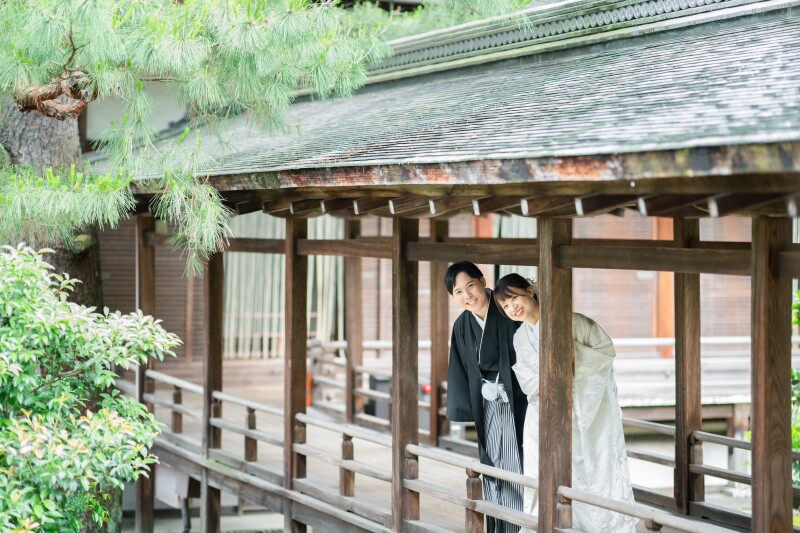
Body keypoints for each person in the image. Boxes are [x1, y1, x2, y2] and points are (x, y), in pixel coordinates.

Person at [493, 273, 638, 533]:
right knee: (542, 470)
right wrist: (552, 378)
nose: (512, 307)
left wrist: (568, 367)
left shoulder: (574, 322)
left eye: (514, 298)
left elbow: (605, 351)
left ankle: (597, 526)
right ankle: (548, 524)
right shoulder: (519, 337)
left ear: (530, 291)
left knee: (591, 468)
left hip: (587, 410)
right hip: (543, 413)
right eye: (505, 306)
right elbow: (527, 381)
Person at [444, 261, 527, 533]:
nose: (467, 296)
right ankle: (499, 526)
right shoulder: (462, 326)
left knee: (518, 462)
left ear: (483, 281)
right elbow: (459, 368)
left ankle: (520, 524)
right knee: (492, 465)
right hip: (487, 405)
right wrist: (464, 407)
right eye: (458, 292)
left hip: (518, 403)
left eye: (470, 286)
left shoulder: (508, 311)